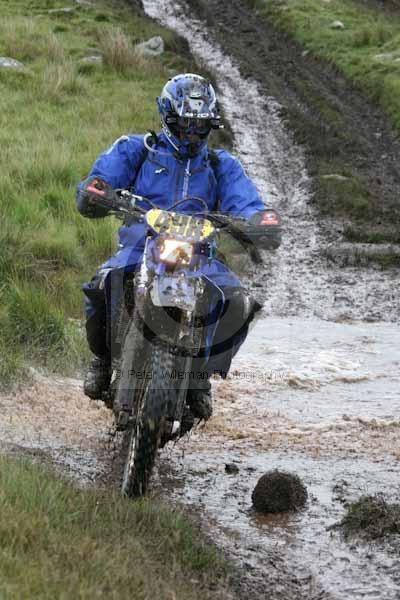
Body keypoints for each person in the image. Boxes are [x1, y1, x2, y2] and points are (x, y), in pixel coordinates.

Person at [76, 73, 280, 418]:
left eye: (199, 125)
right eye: (184, 123)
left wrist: (260, 221)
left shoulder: (221, 165)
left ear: (210, 125)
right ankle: (102, 359)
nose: (191, 132)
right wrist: (98, 190)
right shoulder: (136, 149)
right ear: (167, 117)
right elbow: (100, 180)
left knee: (238, 303)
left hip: (201, 257)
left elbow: (247, 203)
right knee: (102, 283)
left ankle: (200, 377)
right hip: (139, 246)